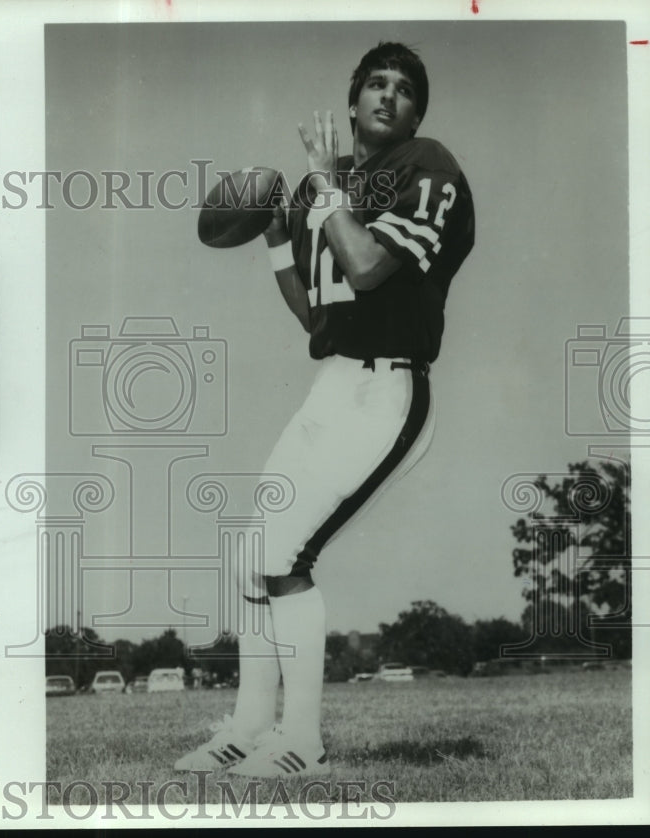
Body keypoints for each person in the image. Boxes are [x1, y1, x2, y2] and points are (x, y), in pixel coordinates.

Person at [176, 42, 475, 777]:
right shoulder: (328, 187)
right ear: (352, 101)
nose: (388, 95)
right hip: (333, 381)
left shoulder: (426, 164)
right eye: (375, 83)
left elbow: (367, 268)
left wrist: (321, 185)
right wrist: (279, 237)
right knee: (252, 555)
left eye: (404, 89)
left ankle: (302, 743)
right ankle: (250, 728)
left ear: (416, 113)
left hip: (389, 388)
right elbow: (317, 318)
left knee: (286, 555)